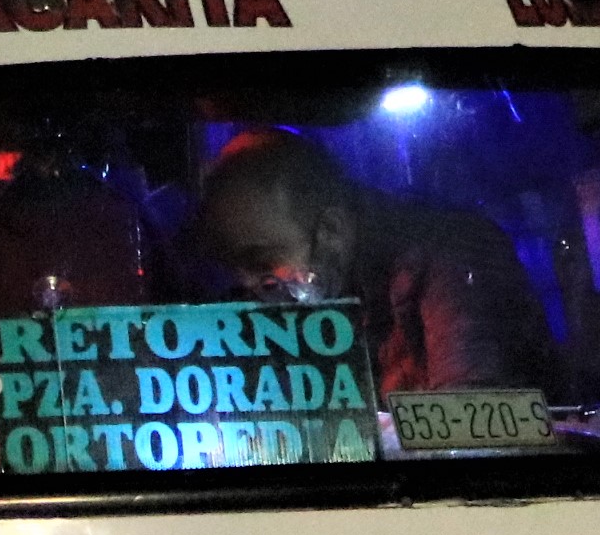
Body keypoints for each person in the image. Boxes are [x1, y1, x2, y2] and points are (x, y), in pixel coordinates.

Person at [194, 128, 558, 394]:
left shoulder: (450, 257)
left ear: (332, 230)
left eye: (261, 259)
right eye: (233, 266)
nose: (249, 284)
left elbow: (473, 424)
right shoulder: (323, 289)